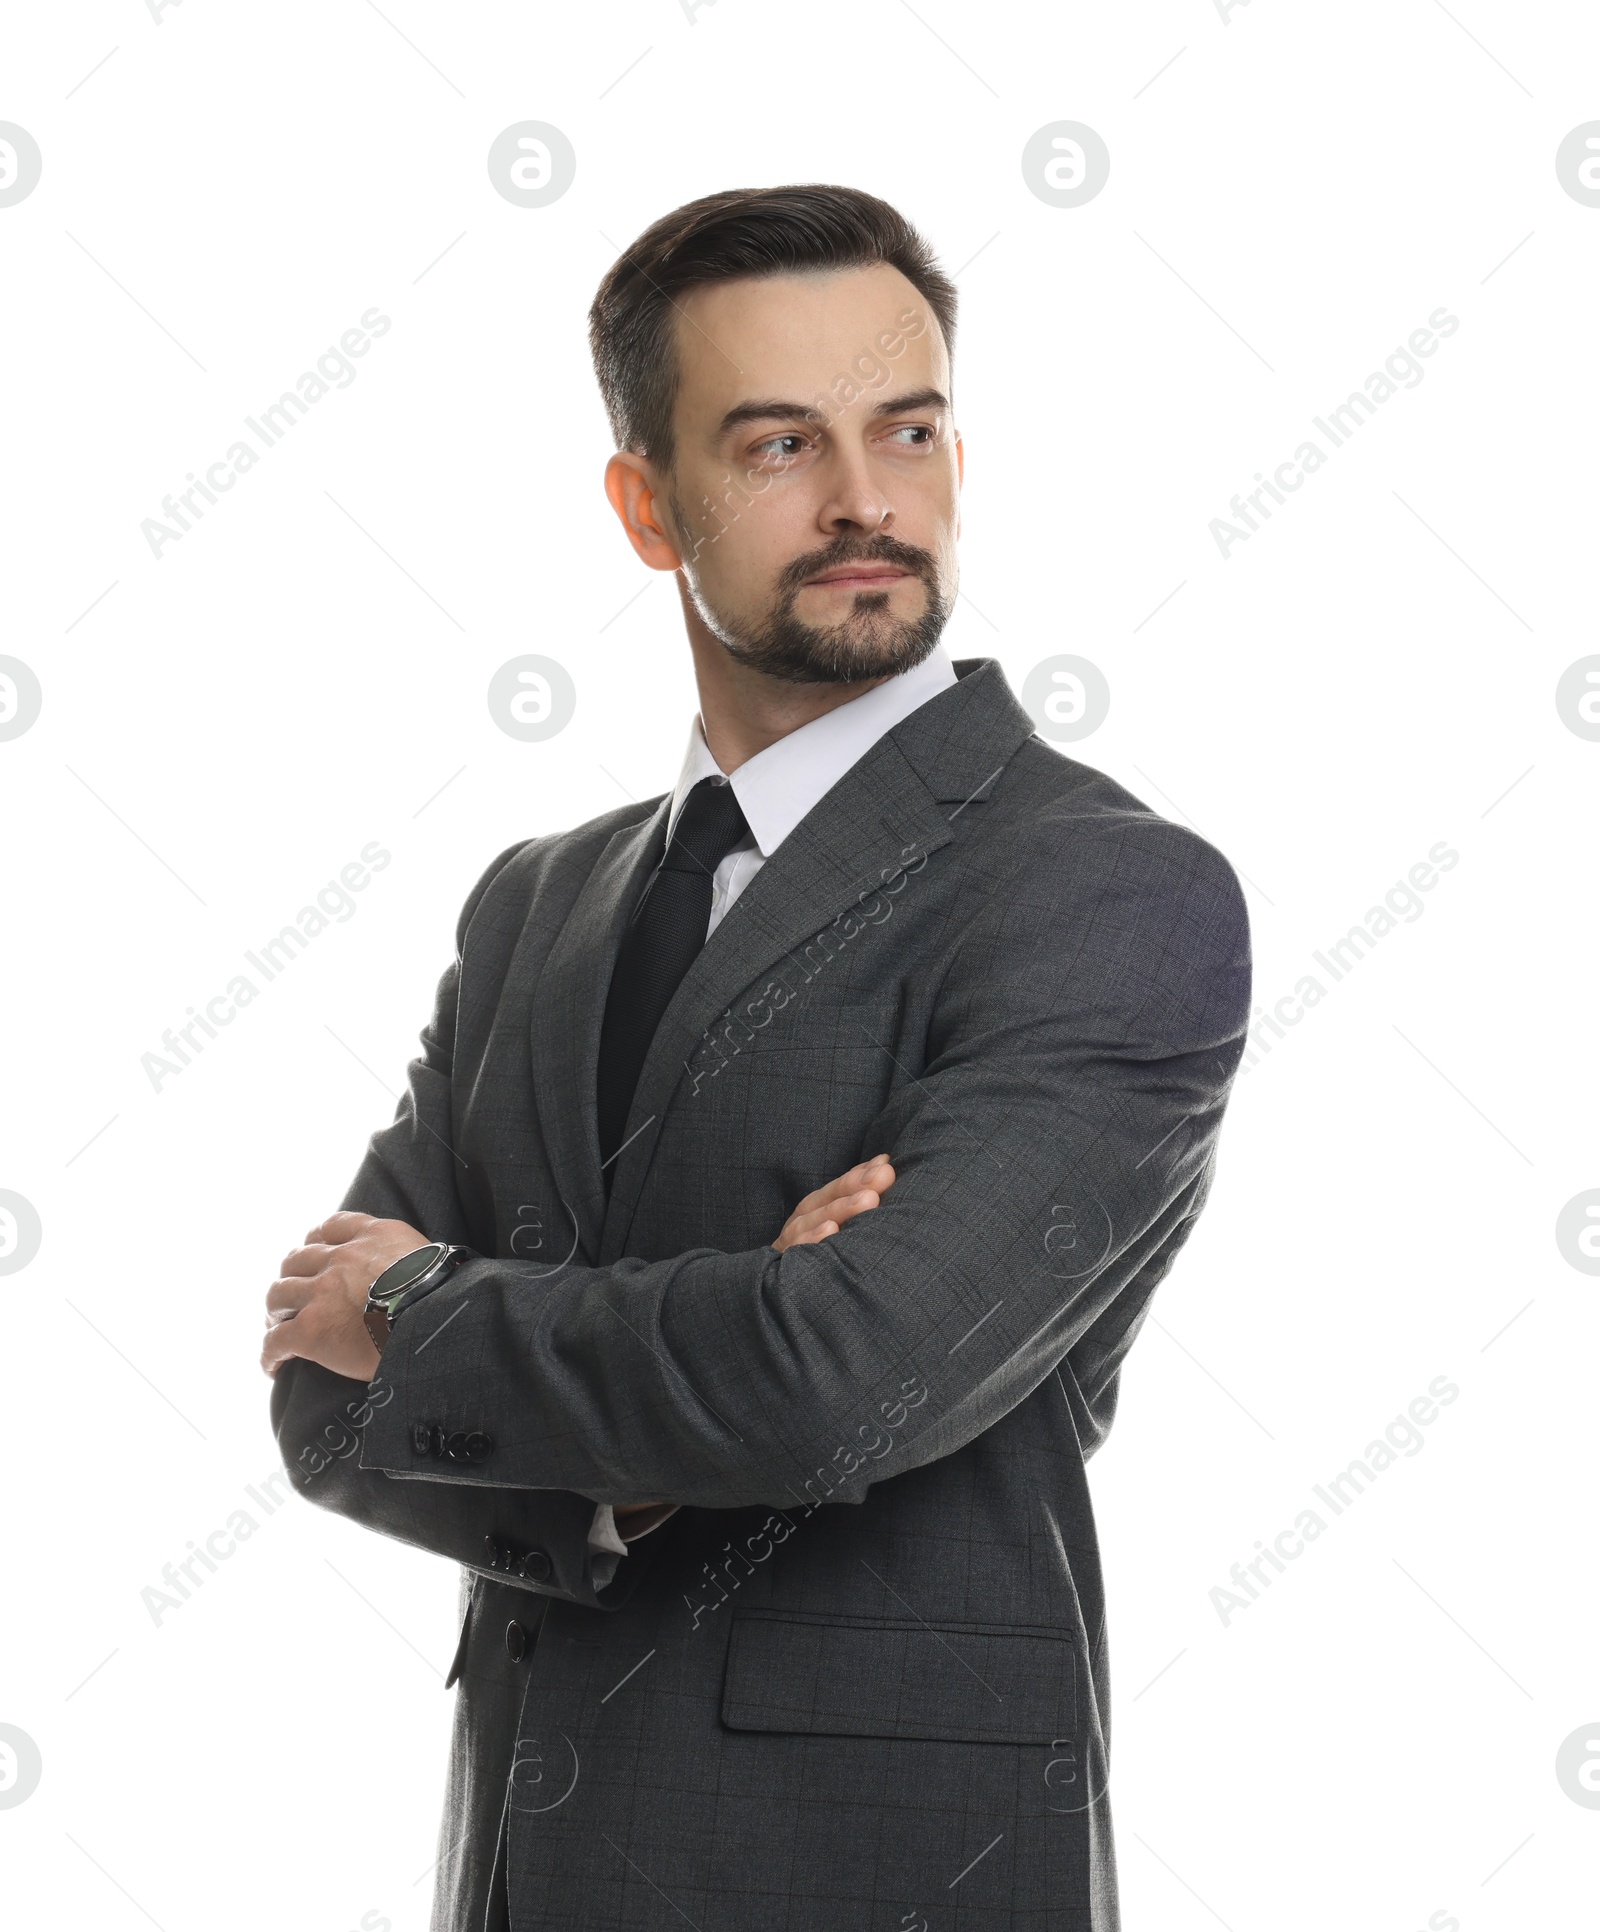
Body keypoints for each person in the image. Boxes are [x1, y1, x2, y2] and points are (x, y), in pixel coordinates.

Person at [264, 183, 1251, 1932]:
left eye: (911, 430)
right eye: (781, 443)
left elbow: (832, 1379)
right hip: (519, 1870)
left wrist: (430, 1312)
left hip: (875, 1877)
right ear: (650, 506)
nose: (868, 500)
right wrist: (665, 1427)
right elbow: (320, 1409)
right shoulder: (536, 906)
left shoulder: (1106, 891)